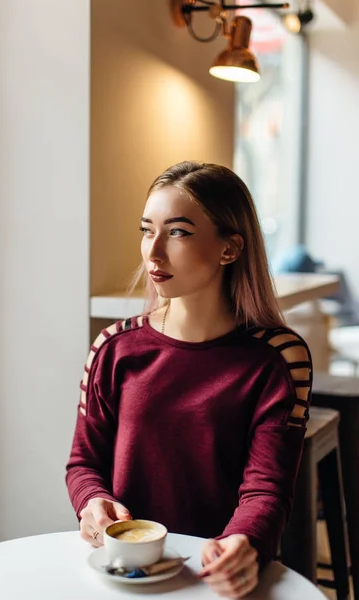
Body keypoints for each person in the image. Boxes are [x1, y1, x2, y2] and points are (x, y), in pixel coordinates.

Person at [66, 161, 312, 598]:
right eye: (147, 230)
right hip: (125, 577)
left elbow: (267, 486)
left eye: (177, 232)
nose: (153, 252)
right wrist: (90, 504)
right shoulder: (112, 348)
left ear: (230, 249)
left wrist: (244, 542)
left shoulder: (278, 359)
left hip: (215, 579)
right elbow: (84, 464)